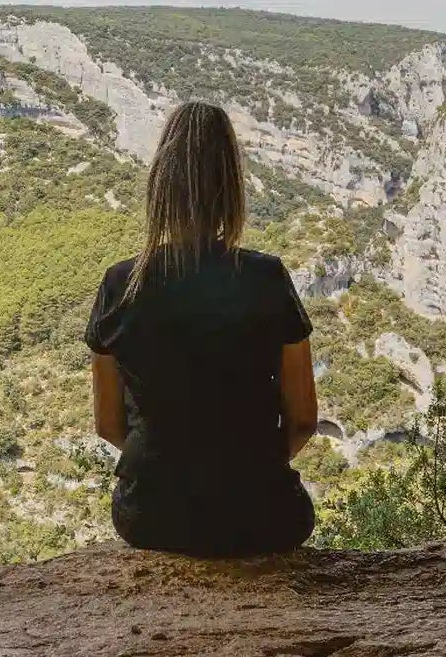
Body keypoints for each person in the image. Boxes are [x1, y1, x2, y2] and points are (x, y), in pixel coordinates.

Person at [86, 102, 324, 557]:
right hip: (264, 515)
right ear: (231, 185)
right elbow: (302, 421)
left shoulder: (120, 284)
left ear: (160, 183)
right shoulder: (266, 278)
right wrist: (242, 471)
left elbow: (108, 424)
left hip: (152, 515)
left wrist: (175, 468)